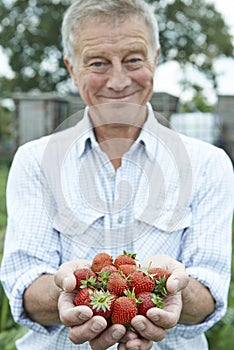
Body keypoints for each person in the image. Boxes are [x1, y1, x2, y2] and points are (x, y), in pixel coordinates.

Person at [0, 0, 233, 349]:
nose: (118, 80)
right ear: (71, 68)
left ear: (155, 58)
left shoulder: (208, 164)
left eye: (133, 60)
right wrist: (71, 289)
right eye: (98, 63)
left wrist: (171, 292)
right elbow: (25, 285)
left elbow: (211, 291)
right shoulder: (35, 161)